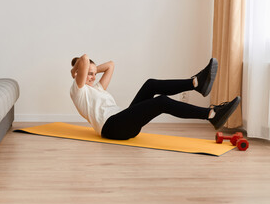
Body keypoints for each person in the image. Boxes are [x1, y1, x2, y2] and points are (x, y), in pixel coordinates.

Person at [70, 54, 240, 140]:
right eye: (89, 74)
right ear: (78, 74)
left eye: (93, 74)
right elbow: (84, 58)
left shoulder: (98, 88)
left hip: (121, 121)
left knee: (150, 84)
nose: (92, 77)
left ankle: (196, 83)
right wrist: (76, 70)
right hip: (111, 127)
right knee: (161, 102)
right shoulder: (78, 90)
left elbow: (110, 65)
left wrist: (93, 69)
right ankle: (211, 115)